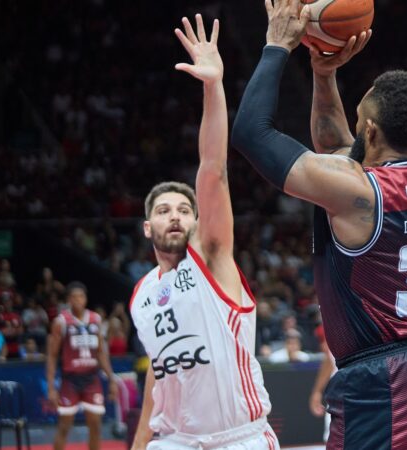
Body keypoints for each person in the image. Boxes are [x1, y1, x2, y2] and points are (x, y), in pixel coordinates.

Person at [231, 1, 407, 448]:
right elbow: (337, 147)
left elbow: (250, 134)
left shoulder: (359, 192)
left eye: (359, 122)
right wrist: (322, 73)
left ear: (370, 132)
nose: (353, 131)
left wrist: (277, 46)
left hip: (386, 384)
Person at [128, 15, 277, 450]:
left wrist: (213, 88)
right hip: (174, 440)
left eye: (183, 209)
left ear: (196, 223)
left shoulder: (210, 259)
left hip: (239, 439)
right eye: (162, 210)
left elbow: (212, 171)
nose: (174, 216)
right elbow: (159, 379)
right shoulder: (141, 296)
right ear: (146, 227)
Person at [46, 281, 119, 450]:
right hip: (70, 379)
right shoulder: (61, 322)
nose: (78, 300)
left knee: (95, 426)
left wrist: (112, 379)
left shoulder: (96, 319)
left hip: (91, 378)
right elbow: (52, 355)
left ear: (86, 298)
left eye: (81, 296)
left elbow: (101, 352)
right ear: (68, 301)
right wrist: (51, 387)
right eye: (74, 297)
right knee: (64, 426)